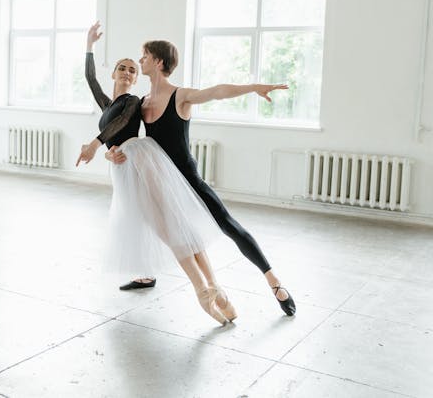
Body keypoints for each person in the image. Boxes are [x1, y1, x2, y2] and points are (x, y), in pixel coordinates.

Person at [106, 40, 297, 316]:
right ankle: (204, 290)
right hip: (162, 183)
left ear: (158, 62)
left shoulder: (180, 96)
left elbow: (216, 92)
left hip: (189, 181)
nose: (141, 60)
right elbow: (122, 137)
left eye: (145, 56)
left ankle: (274, 282)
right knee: (173, 234)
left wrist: (254, 87)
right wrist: (110, 154)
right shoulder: (142, 103)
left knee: (231, 227)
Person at [76, 22, 236, 325]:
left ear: (137, 77)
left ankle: (207, 288)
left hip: (140, 161)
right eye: (122, 68)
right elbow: (90, 79)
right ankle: (210, 287)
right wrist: (89, 45)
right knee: (164, 226)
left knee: (171, 223)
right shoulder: (107, 103)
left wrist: (97, 145)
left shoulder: (132, 102)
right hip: (124, 168)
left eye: (132, 70)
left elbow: (120, 124)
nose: (126, 72)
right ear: (113, 74)